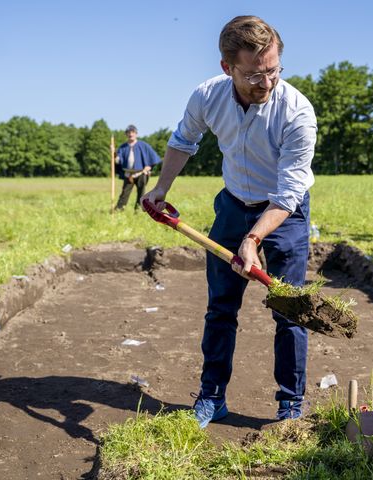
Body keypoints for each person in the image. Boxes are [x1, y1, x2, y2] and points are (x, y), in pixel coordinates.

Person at [142, 16, 317, 427]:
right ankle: (211, 396)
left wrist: (254, 238)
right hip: (233, 205)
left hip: (284, 214)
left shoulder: (297, 113)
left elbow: (289, 193)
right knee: (220, 307)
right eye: (255, 74)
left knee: (289, 310)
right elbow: (183, 140)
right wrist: (161, 189)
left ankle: (290, 404)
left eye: (274, 70)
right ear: (228, 68)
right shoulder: (207, 96)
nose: (267, 83)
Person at [114, 125, 160, 211]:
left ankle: (138, 210)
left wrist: (149, 167)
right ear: (126, 134)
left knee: (141, 193)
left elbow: (153, 157)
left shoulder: (143, 145)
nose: (130, 134)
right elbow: (118, 160)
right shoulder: (123, 147)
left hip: (141, 173)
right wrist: (114, 153)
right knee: (124, 193)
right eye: (128, 132)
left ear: (136, 134)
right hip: (128, 175)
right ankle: (119, 209)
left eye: (132, 132)